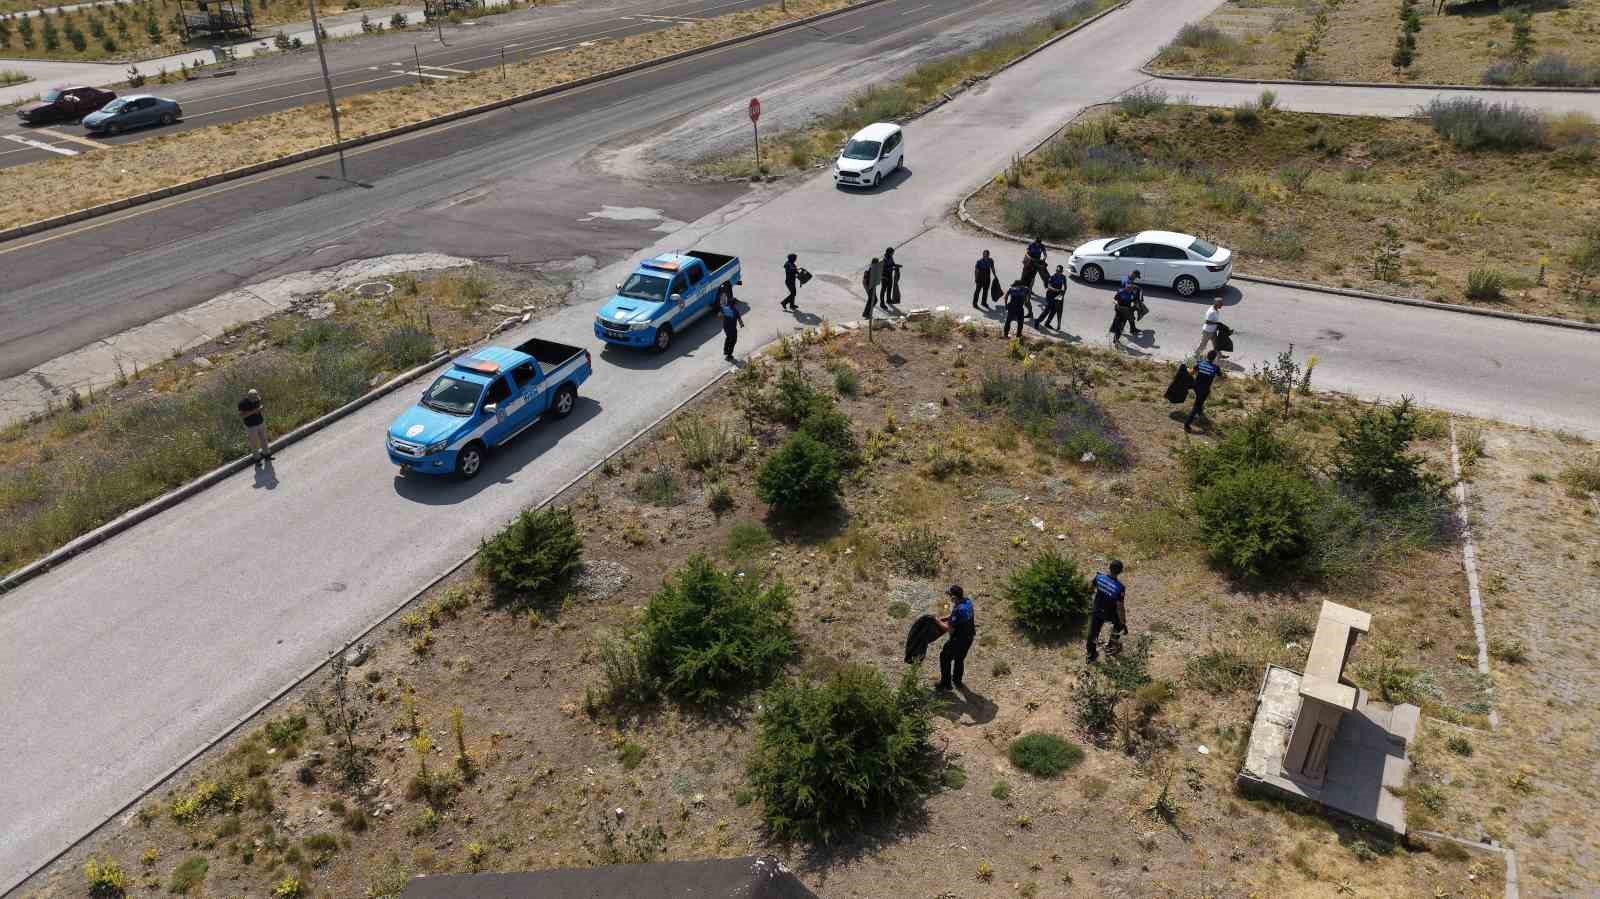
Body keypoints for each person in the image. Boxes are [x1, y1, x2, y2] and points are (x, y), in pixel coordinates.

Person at [1086, 561, 1127, 663]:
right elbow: (1120, 607)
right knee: (1118, 625)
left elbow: (1090, 588)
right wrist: (1123, 622)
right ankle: (1110, 647)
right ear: (1120, 572)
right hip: (1109, 613)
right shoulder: (1120, 587)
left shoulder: (1099, 577)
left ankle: (1091, 654)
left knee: (1093, 632)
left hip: (1097, 610)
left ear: (1109, 568)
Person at [936, 584, 976, 690]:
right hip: (969, 638)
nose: (950, 598)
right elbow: (955, 617)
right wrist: (944, 618)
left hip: (958, 640)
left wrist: (936, 621)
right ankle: (957, 681)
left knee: (944, 657)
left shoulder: (958, 610)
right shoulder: (967, 602)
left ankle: (946, 684)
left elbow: (950, 629)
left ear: (954, 597)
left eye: (950, 596)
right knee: (959, 659)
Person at [1185, 350, 1222, 432]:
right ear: (1214, 358)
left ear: (1206, 356)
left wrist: (1188, 369)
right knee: (1196, 405)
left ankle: (1200, 412)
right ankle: (1187, 424)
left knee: (1200, 400)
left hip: (1196, 386)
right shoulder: (1215, 367)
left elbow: (1191, 373)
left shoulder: (1200, 363)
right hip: (1204, 390)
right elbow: (1221, 376)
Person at [238, 388, 272, 465]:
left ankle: (266, 455)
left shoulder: (257, 399)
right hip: (250, 426)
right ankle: (257, 459)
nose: (256, 400)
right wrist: (254, 411)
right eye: (254, 398)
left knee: (264, 439)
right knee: (254, 443)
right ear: (249, 397)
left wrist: (261, 408)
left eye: (257, 397)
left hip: (260, 422)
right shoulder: (242, 403)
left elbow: (260, 406)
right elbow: (242, 416)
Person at [1039, 265, 1067, 330]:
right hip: (1050, 295)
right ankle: (1037, 322)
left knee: (1054, 311)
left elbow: (1065, 287)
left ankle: (1047, 323)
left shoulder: (1063, 277)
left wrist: (1063, 294)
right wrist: (1055, 289)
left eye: (1059, 271)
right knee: (1047, 310)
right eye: (1057, 271)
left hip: (1056, 296)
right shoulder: (1052, 276)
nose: (1058, 272)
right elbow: (1048, 286)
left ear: (1062, 272)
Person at [719, 291, 743, 362]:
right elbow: (738, 318)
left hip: (728, 327)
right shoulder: (732, 310)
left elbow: (720, 315)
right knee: (733, 340)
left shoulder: (728, 309)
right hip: (730, 328)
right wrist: (741, 323)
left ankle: (726, 351)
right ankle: (729, 355)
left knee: (729, 338)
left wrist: (741, 323)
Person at [1121, 271, 1146, 335]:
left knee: (1130, 315)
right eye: (1135, 277)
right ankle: (1119, 331)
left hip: (1127, 300)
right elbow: (1127, 286)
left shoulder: (1128, 278)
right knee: (1126, 316)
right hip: (1123, 301)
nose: (1135, 279)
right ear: (1133, 274)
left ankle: (1133, 329)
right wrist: (1136, 287)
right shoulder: (1126, 279)